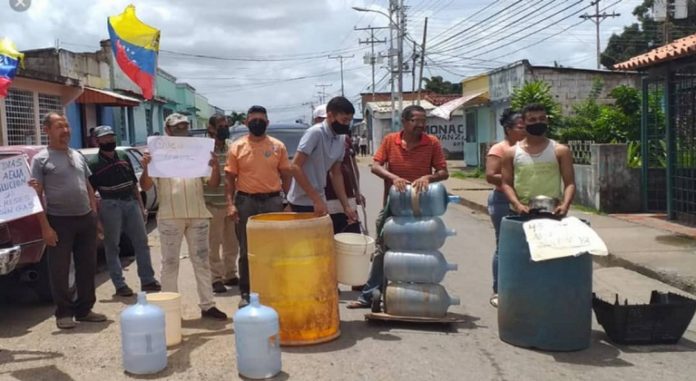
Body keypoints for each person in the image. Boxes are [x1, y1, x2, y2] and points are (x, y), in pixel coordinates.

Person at [347, 105, 448, 309]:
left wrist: (428, 177)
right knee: (382, 251)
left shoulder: (432, 143)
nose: (420, 125)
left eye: (423, 121)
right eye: (415, 121)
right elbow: (375, 166)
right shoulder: (390, 140)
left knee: (419, 253)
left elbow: (444, 172)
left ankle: (413, 297)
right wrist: (394, 178)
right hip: (393, 206)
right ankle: (368, 295)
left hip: (422, 209)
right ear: (404, 121)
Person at [140, 113, 227, 320]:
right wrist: (145, 167)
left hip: (198, 214)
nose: (181, 130)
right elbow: (145, 186)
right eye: (176, 127)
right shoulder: (157, 153)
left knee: (201, 261)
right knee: (170, 262)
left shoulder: (197, 152)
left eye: (184, 126)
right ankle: (169, 310)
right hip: (170, 216)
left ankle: (208, 305)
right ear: (167, 130)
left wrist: (214, 168)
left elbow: (212, 184)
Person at [30, 111, 106, 329]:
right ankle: (63, 313)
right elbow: (35, 196)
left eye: (67, 126)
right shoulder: (40, 159)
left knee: (87, 266)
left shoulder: (77, 155)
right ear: (47, 131)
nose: (65, 131)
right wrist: (45, 228)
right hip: (58, 220)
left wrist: (94, 216)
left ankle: (85, 310)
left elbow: (88, 187)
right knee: (60, 270)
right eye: (59, 127)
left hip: (85, 219)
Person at [225, 105, 292, 308]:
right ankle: (246, 292)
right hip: (246, 203)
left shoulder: (277, 146)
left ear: (267, 123)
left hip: (273, 202)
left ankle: (273, 289)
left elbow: (286, 174)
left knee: (274, 249)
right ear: (246, 123)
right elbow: (229, 178)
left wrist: (285, 199)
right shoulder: (237, 147)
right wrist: (230, 204)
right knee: (246, 250)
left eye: (261, 120)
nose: (257, 123)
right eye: (253, 120)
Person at [87, 125, 161, 297]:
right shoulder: (93, 164)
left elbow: (134, 184)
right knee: (112, 246)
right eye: (105, 138)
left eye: (111, 137)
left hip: (131, 203)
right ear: (97, 141)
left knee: (142, 243)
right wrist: (96, 218)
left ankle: (148, 280)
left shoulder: (123, 156)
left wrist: (141, 207)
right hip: (110, 205)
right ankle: (120, 285)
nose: (109, 141)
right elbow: (90, 192)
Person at [287, 96, 358, 225]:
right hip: (301, 201)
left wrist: (346, 206)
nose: (347, 124)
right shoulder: (315, 133)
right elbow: (295, 166)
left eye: (349, 121)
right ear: (330, 116)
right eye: (344, 120)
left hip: (319, 197)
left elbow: (336, 174)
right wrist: (315, 199)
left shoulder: (341, 139)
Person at [500, 103, 576, 216]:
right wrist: (517, 205)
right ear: (524, 123)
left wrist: (565, 205)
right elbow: (506, 184)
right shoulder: (511, 153)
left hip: (552, 212)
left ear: (547, 121)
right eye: (532, 120)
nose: (538, 122)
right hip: (521, 213)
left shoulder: (560, 151)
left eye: (542, 119)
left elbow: (570, 183)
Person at [484, 110, 526, 308]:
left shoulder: (530, 148)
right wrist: (515, 178)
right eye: (520, 126)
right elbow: (491, 175)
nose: (525, 129)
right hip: (502, 200)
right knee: (504, 245)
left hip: (526, 200)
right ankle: (498, 290)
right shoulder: (500, 149)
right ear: (508, 129)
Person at [313, 104, 364, 234]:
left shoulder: (344, 138)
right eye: (322, 118)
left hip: (346, 193)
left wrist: (357, 191)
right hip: (325, 195)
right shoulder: (314, 137)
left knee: (351, 233)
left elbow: (352, 166)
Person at [204, 114, 239, 294]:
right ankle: (215, 278)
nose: (224, 128)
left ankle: (230, 273)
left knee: (231, 243)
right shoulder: (203, 149)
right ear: (210, 128)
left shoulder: (232, 146)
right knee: (213, 244)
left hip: (229, 202)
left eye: (226, 125)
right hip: (211, 203)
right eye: (220, 126)